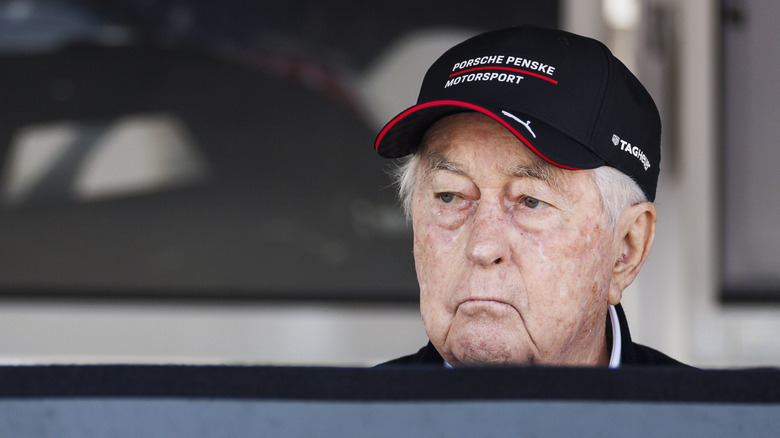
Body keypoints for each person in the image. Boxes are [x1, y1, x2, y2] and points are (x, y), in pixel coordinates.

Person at [374, 25, 688, 368]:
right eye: (450, 196)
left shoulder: (704, 404)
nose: (482, 248)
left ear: (626, 249)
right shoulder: (351, 403)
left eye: (530, 201)